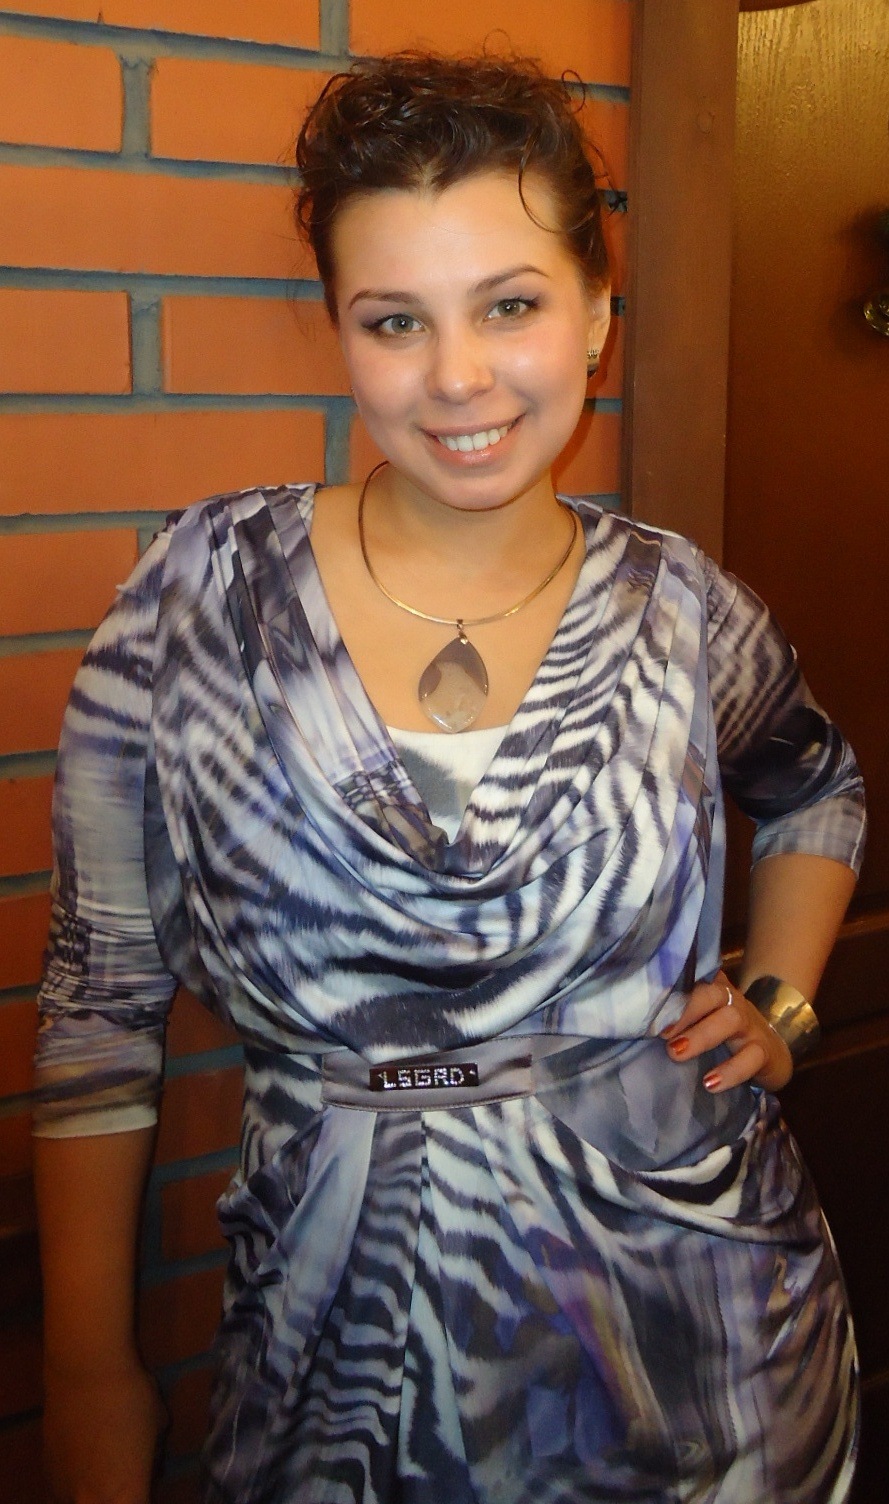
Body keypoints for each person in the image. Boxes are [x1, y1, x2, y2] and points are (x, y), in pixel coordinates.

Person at [33, 51, 865, 1504]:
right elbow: (98, 999)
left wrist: (782, 1005)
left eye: (511, 305)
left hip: (712, 1352)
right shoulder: (197, 600)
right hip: (335, 1351)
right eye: (395, 320)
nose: (458, 376)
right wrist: (86, 1365)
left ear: (597, 316)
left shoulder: (680, 608)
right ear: (340, 333)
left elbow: (816, 785)